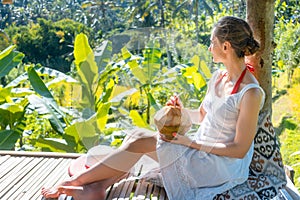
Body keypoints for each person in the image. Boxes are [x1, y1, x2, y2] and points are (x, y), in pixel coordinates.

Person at [41, 16, 265, 200]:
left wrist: (189, 142)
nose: (209, 47)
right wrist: (180, 111)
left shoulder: (250, 93)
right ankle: (98, 187)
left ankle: (75, 182)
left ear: (225, 47)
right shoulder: (218, 77)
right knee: (136, 136)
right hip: (198, 150)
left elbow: (239, 149)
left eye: (212, 43)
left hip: (220, 166)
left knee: (140, 140)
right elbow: (203, 116)